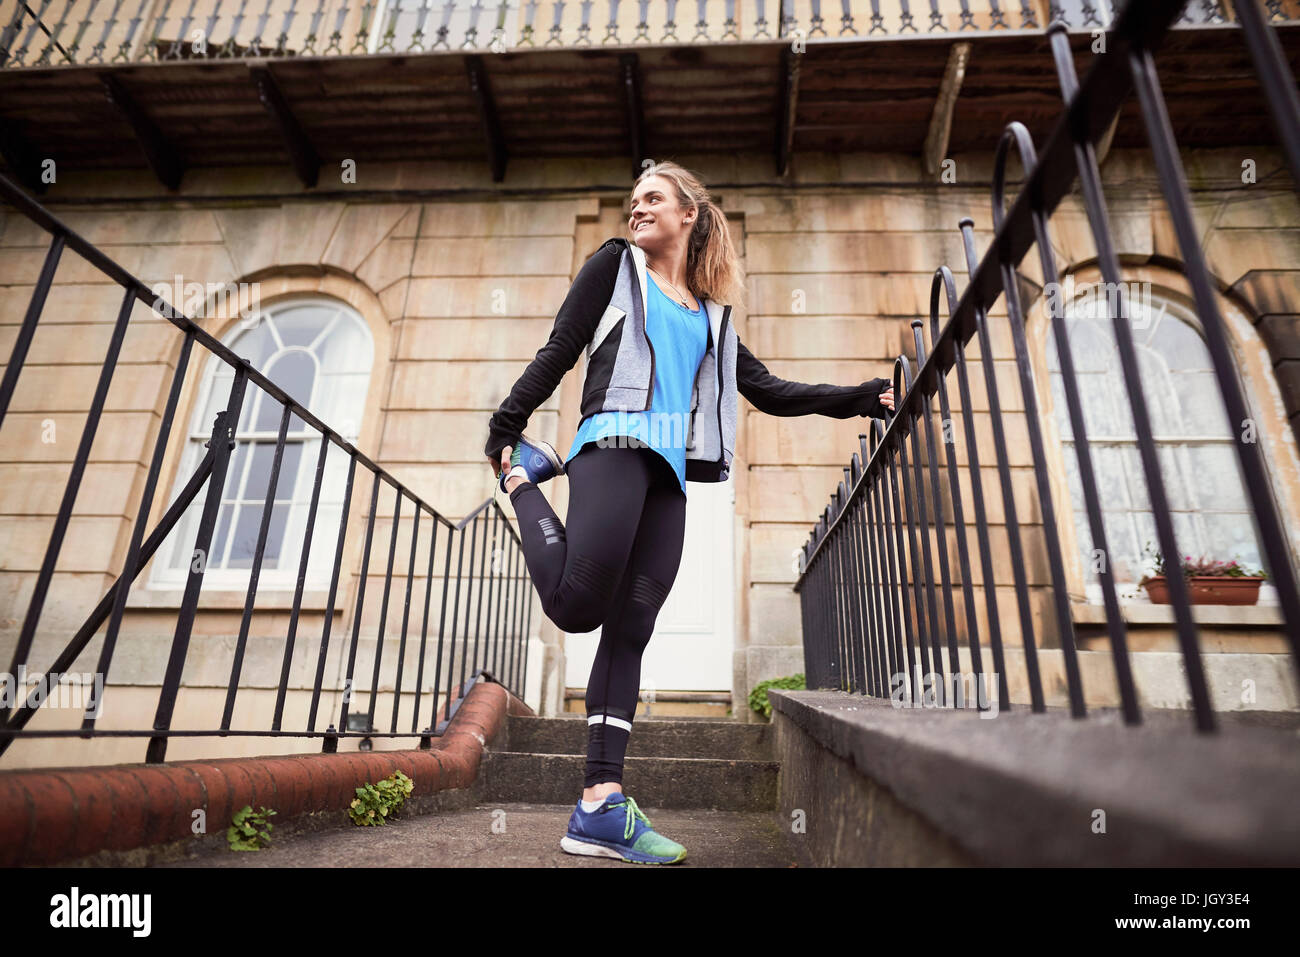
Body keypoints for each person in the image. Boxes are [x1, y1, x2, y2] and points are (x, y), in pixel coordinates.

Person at [484, 160, 895, 864]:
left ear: (689, 216)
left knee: (631, 629)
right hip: (612, 442)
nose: (637, 208)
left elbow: (768, 388)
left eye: (653, 198)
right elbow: (561, 347)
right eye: (633, 199)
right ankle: (527, 483)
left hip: (668, 476)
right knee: (578, 603)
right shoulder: (615, 267)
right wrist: (505, 429)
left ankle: (598, 805)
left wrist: (857, 396)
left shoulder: (711, 317)